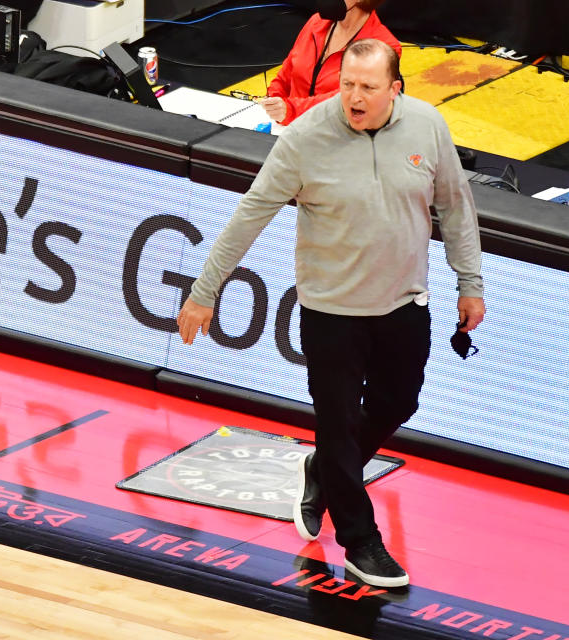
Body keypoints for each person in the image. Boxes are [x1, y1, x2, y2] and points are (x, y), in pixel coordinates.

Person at [176, 39, 484, 588]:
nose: (354, 97)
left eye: (368, 87)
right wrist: (205, 291)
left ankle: (320, 472)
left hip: (404, 302)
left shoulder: (426, 126)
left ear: (396, 89)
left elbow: (455, 207)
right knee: (337, 426)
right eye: (347, 84)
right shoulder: (305, 139)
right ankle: (361, 543)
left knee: (399, 402)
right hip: (331, 311)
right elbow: (251, 213)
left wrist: (470, 283)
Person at [259, 0, 401, 126]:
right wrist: (274, 102)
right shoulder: (315, 23)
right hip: (292, 132)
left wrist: (290, 110)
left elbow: (346, 101)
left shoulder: (383, 47)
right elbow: (285, 75)